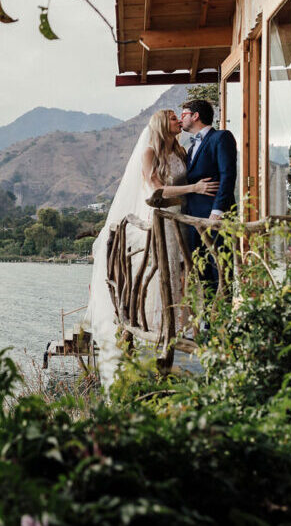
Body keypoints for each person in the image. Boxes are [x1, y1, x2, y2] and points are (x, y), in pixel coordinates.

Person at [81, 109, 218, 384]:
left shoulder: (180, 151)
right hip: (163, 220)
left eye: (179, 116)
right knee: (163, 270)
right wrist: (194, 189)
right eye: (172, 117)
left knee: (185, 270)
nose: (178, 120)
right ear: (160, 124)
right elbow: (156, 189)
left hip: (184, 219)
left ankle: (187, 325)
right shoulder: (149, 153)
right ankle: (163, 327)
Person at [180, 99, 238, 288]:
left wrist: (217, 212)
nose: (181, 120)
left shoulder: (221, 137)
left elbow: (227, 175)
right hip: (194, 220)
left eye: (183, 115)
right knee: (201, 271)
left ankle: (223, 317)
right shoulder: (190, 149)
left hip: (216, 218)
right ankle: (207, 316)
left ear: (195, 116)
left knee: (221, 271)